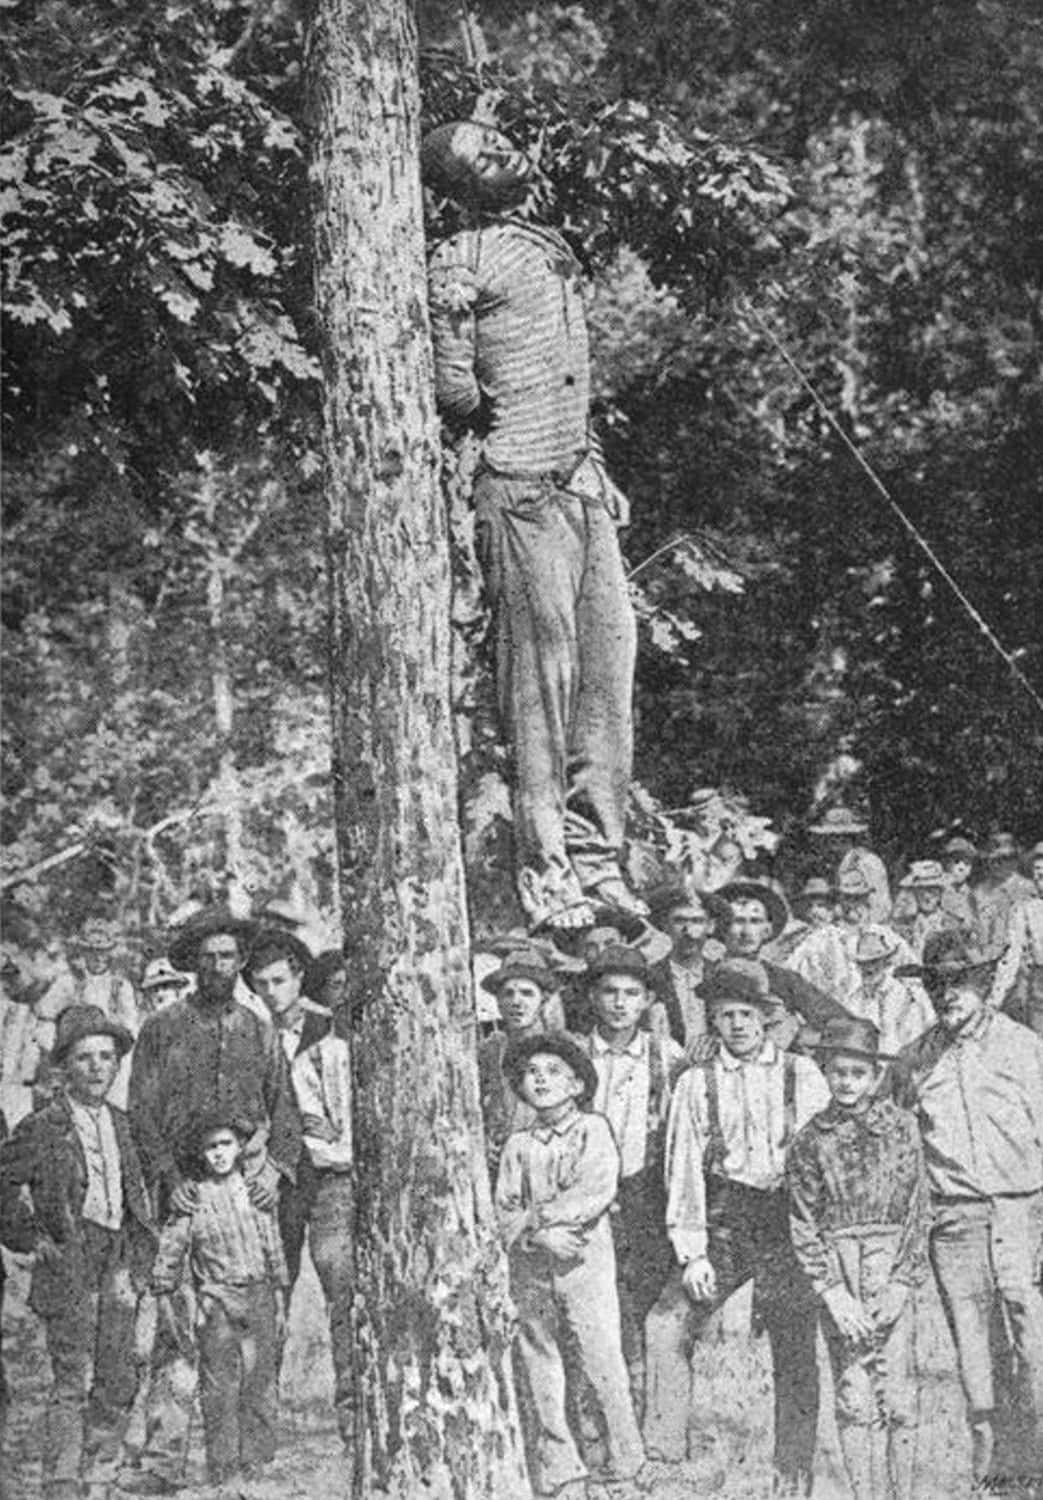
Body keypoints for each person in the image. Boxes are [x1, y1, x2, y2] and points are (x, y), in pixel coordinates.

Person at [423, 119, 642, 934]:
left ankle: (600, 859)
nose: (506, 154)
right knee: (540, 689)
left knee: (606, 677)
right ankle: (549, 875)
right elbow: (456, 398)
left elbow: (571, 369)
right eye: (484, 155)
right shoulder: (457, 258)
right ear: (459, 185)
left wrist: (589, 456)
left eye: (501, 141)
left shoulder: (546, 243)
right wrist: (455, 338)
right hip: (516, 487)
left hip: (580, 481)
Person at [126, 907, 301, 1496]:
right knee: (179, 1328)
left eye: (228, 956)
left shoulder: (258, 1029)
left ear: (241, 961)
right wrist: (165, 1173)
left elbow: (285, 1112)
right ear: (192, 963)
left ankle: (253, 1460)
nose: (219, 966)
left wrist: (275, 1169)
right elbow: (143, 1112)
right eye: (208, 957)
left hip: (244, 1192)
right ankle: (163, 1458)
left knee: (252, 1330)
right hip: (182, 1189)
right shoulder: (164, 1028)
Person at [643, 960, 830, 1495]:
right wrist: (692, 1253)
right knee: (666, 1323)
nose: (739, 1026)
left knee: (795, 1342)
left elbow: (819, 1163)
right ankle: (666, 1457)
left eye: (747, 1014)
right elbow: (682, 1172)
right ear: (712, 1021)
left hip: (789, 1219)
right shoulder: (696, 1084)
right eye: (726, 1016)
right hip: (727, 1218)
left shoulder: (802, 1074)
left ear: (767, 1017)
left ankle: (792, 1473)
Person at [887, 929, 1043, 1488]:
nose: (948, 994)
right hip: (954, 1221)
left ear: (982, 983)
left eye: (960, 982)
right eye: (937, 984)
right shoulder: (913, 1061)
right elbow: (892, 1140)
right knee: (974, 1346)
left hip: (1023, 1211)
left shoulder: (1023, 1047)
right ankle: (996, 1472)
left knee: (1033, 1338)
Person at [0, 1006, 156, 1500]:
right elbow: (3, 1185)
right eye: (84, 1058)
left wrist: (140, 1255)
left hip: (118, 1259)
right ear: (65, 1066)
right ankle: (63, 1481)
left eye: (106, 1057)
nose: (96, 1067)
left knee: (117, 1373)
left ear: (116, 1065)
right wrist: (31, 1239)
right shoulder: (43, 1125)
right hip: (70, 1257)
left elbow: (144, 1194)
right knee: (72, 1376)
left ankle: (101, 1474)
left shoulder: (125, 1125)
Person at [495, 1032, 645, 1496]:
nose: (540, 1080)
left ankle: (628, 1461)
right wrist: (538, 1233)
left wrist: (550, 1222)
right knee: (541, 1357)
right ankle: (560, 1464)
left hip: (584, 1259)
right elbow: (504, 1208)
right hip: (533, 1265)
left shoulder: (592, 1130)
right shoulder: (518, 1144)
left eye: (553, 1072)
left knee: (602, 1357)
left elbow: (596, 1190)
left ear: (577, 1083)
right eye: (531, 1074)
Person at [787, 1017, 928, 1500]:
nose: (846, 1082)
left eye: (857, 1072)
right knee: (854, 1394)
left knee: (900, 1395)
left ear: (874, 1075)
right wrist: (833, 1294)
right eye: (837, 1072)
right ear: (824, 1072)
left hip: (890, 1263)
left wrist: (902, 1282)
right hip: (838, 1263)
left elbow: (918, 1209)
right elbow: (804, 1222)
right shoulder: (810, 1140)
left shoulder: (902, 1128)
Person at [150, 1114, 287, 1488]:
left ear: (240, 1147)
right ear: (200, 1153)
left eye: (225, 1144)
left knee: (259, 1381)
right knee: (220, 1386)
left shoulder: (256, 1193)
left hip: (257, 1292)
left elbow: (273, 1250)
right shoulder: (192, 1198)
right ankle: (223, 1469)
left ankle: (255, 1462)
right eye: (210, 1147)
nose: (219, 1154)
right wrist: (170, 1296)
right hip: (217, 1299)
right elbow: (171, 1253)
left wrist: (279, 1296)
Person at [574, 946, 683, 1411]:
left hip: (644, 1193)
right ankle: (597, 1414)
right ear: (594, 998)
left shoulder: (666, 1056)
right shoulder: (574, 1053)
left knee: (641, 1303)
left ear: (647, 1001)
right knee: (592, 1310)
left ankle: (641, 1410)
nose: (620, 1003)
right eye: (610, 992)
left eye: (631, 994)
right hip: (585, 1196)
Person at [244, 929, 331, 1292]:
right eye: (261, 983)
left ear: (299, 979)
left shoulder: (327, 1028)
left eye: (280, 981)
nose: (271, 992)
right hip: (281, 1171)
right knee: (277, 1274)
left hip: (327, 1168)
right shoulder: (250, 1036)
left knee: (335, 1268)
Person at [290, 989, 356, 1454]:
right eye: (337, 985)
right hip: (336, 1185)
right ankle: (353, 1418)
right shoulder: (313, 1059)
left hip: (390, 1185)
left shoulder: (388, 1046)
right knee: (344, 1298)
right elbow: (320, 1138)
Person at [712, 878, 853, 1043]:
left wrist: (802, 1035)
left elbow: (842, 1020)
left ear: (767, 930)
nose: (746, 931)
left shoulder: (784, 979)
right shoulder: (705, 975)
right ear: (720, 927)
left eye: (755, 921)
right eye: (737, 921)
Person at [477, 947, 564, 1181]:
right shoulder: (489, 1051)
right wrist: (482, 1142)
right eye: (508, 994)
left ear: (543, 1000)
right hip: (499, 1172)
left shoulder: (563, 1051)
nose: (516, 1002)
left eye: (527, 993)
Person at [35, 917, 140, 1108]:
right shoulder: (68, 983)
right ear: (84, 952)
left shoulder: (121, 986)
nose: (99, 958)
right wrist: (55, 1050)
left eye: (103, 952)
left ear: (110, 953)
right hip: (75, 1059)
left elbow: (131, 1028)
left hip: (109, 1058)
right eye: (93, 952)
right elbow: (45, 1018)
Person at [645, 882, 720, 1054]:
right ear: (665, 926)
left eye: (697, 921)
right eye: (679, 921)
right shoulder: (650, 977)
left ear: (710, 926)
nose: (688, 930)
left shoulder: (722, 974)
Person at [847, 927, 934, 1056]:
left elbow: (917, 1039)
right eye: (863, 963)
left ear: (885, 962)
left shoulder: (906, 995)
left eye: (874, 962)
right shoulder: (855, 998)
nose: (868, 968)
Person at [990, 840, 1043, 1033]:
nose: (1040, 875)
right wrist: (995, 999)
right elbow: (1011, 956)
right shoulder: (1025, 909)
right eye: (1037, 869)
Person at [808, 805, 892, 923]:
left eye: (837, 839)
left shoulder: (868, 863)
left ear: (848, 839)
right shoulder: (835, 865)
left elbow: (882, 907)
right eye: (828, 839)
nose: (831, 846)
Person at [974, 831, 1034, 954]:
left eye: (1004, 859)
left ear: (1015, 860)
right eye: (993, 860)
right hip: (987, 954)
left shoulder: (1027, 888)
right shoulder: (980, 891)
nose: (997, 864)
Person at [894, 860, 961, 961]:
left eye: (932, 890)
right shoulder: (904, 926)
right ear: (915, 893)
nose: (927, 896)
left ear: (940, 892)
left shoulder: (952, 924)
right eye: (922, 889)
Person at [940, 836, 980, 938]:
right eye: (956, 861)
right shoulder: (938, 888)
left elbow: (974, 920)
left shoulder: (968, 893)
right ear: (946, 864)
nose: (961, 867)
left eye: (967, 864)